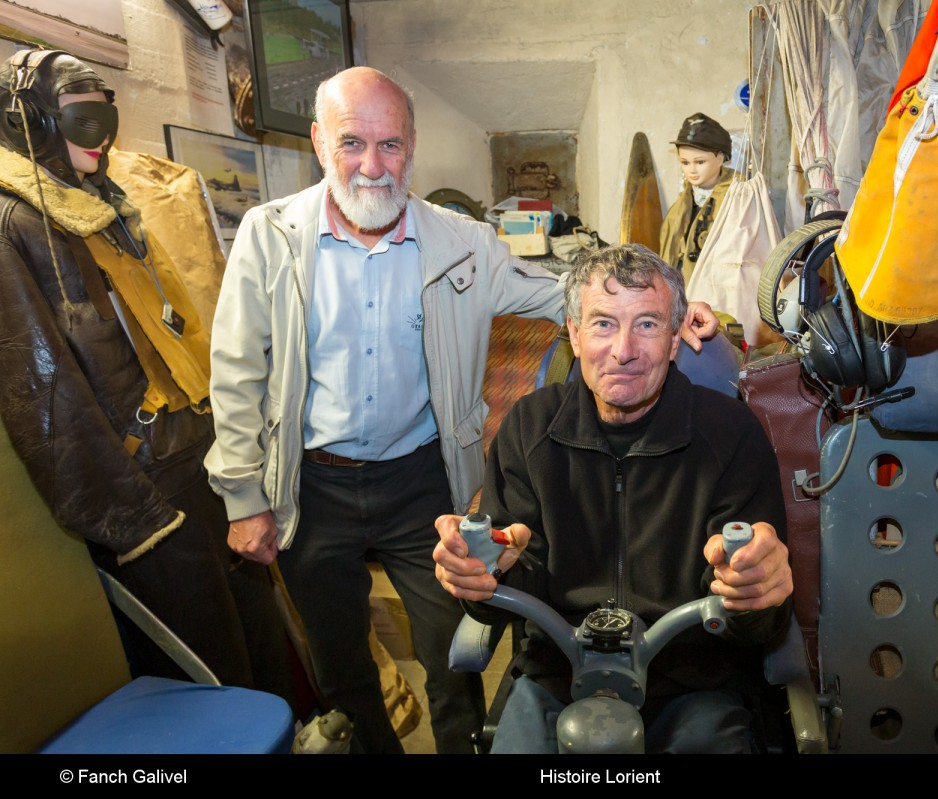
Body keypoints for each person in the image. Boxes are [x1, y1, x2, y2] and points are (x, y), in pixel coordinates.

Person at [205, 66, 719, 754]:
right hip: (310, 483)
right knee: (339, 659)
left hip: (424, 481)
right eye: (353, 143)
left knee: (453, 651)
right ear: (321, 143)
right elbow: (236, 368)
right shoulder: (270, 237)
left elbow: (564, 290)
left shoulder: (463, 242)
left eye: (390, 146)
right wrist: (244, 496)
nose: (372, 164)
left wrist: (664, 304)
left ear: (411, 147)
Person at [0, 49, 293, 702]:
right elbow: (45, 396)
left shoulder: (102, 203)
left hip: (197, 450)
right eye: (80, 118)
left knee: (260, 638)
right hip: (147, 486)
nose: (99, 135)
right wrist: (132, 519)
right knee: (209, 672)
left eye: (104, 115)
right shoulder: (17, 223)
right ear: (31, 123)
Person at [434, 243, 793, 754]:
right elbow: (507, 587)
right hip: (558, 676)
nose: (623, 350)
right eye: (603, 324)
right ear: (575, 336)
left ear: (674, 339)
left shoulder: (732, 434)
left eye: (646, 324)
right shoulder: (529, 428)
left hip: (693, 683)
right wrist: (482, 574)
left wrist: (760, 590)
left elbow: (754, 623)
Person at [659, 112, 735, 285]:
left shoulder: (737, 202)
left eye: (700, 162)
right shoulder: (678, 209)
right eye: (685, 162)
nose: (691, 170)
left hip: (719, 298)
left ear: (720, 158)